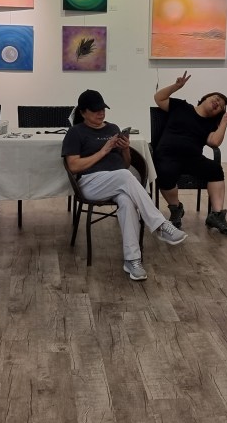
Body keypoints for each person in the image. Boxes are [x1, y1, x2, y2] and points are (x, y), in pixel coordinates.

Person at [62, 89, 188, 281]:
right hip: (90, 183)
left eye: (103, 109)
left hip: (118, 183)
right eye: (95, 110)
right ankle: (160, 225)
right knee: (124, 176)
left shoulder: (112, 128)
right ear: (83, 112)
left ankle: (132, 260)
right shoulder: (75, 132)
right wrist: (104, 151)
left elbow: (126, 164)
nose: (101, 113)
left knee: (127, 202)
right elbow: (73, 166)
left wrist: (126, 149)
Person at [153, 72, 227, 235]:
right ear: (205, 98)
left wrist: (224, 123)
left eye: (220, 106)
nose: (217, 103)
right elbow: (158, 98)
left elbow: (214, 142)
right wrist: (176, 86)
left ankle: (216, 215)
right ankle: (176, 208)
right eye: (216, 98)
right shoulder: (181, 106)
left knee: (215, 169)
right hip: (168, 155)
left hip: (192, 158)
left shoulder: (210, 124)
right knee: (164, 173)